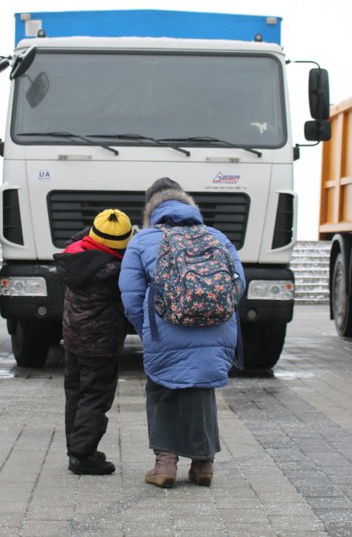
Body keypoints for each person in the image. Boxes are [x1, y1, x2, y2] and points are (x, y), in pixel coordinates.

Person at [119, 177, 245, 488]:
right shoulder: (216, 237)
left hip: (165, 330)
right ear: (188, 205)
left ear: (151, 209)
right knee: (202, 390)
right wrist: (215, 314)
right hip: (216, 328)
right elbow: (238, 283)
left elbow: (131, 295)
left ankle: (165, 465)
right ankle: (203, 465)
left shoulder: (144, 240)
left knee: (161, 389)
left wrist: (148, 329)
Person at [53, 208, 133, 476]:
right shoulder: (114, 271)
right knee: (94, 398)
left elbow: (83, 236)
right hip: (100, 345)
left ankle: (75, 447)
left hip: (73, 338)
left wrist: (98, 229)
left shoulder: (74, 256)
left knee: (74, 395)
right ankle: (83, 455)